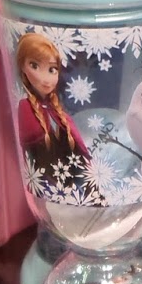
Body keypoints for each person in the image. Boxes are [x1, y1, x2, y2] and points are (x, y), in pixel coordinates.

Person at [13, 32, 89, 189]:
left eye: (52, 69)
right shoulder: (25, 108)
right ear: (22, 67)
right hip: (48, 185)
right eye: (35, 66)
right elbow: (31, 156)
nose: (45, 78)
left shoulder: (56, 111)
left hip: (74, 183)